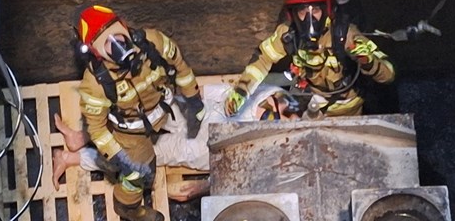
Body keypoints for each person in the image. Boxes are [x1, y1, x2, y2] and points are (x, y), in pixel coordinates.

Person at [69, 4, 204, 221]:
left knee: (196, 135)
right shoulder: (95, 84)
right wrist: (120, 158)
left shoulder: (153, 42)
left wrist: (193, 98)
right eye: (107, 44)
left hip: (165, 108)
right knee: (137, 174)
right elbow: (97, 128)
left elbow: (180, 66)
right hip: (131, 131)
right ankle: (129, 209)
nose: (118, 46)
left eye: (118, 36)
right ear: (95, 52)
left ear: (123, 25)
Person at [52, 83, 300, 201]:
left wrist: (201, 187)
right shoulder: (270, 93)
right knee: (139, 117)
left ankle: (71, 158)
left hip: (197, 150)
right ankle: (80, 137)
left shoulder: (273, 150)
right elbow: (226, 92)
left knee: (137, 156)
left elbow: (240, 172)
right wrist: (192, 93)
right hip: (196, 116)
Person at [225, 0, 396, 118]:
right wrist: (241, 91)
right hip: (311, 103)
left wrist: (368, 61)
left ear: (327, 10)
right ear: (293, 14)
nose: (309, 19)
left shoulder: (345, 34)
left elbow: (389, 74)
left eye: (315, 10)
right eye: (302, 11)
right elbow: (263, 59)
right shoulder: (288, 34)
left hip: (348, 108)